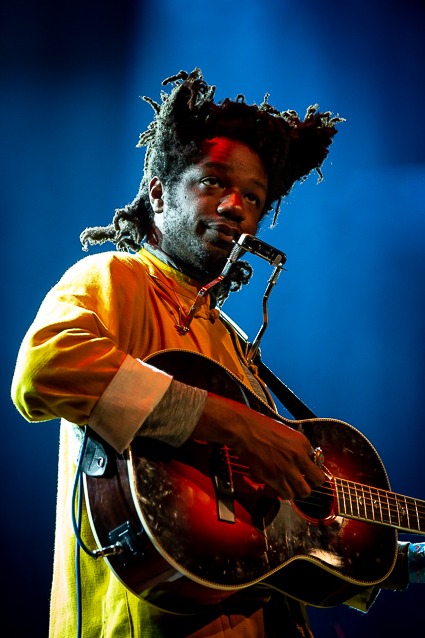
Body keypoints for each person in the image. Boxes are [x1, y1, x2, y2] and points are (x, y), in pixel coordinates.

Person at [11, 68, 417, 638]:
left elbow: (273, 536)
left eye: (253, 197)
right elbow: (44, 369)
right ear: (159, 194)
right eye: (212, 182)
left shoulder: (233, 342)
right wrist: (239, 426)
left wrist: (402, 562)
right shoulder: (116, 277)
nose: (235, 207)